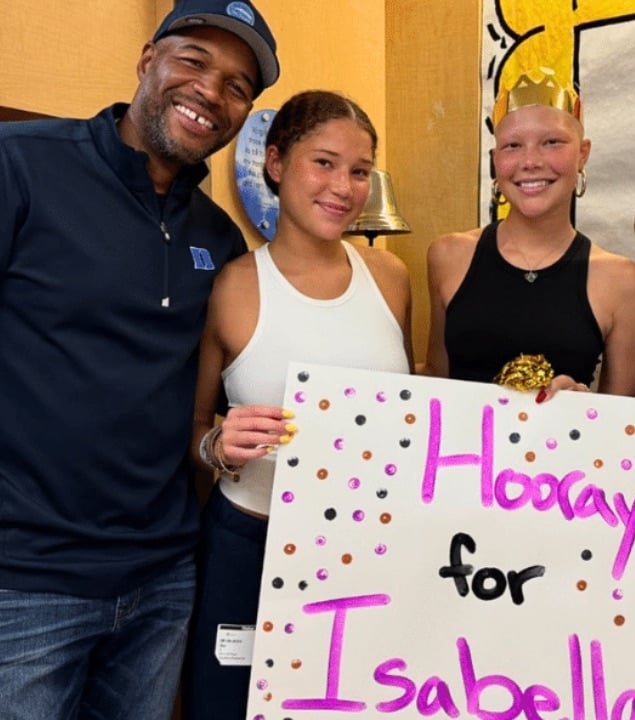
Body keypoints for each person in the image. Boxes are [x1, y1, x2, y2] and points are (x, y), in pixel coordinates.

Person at [0, 2, 280, 718]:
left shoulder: (218, 238)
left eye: (238, 85)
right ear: (148, 58)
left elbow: (200, 398)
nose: (211, 92)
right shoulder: (22, 164)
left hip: (162, 581)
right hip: (26, 581)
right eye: (193, 61)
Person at [181, 89, 414, 719]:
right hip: (248, 546)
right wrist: (216, 446)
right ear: (278, 163)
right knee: (228, 706)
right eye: (325, 163)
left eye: (361, 171)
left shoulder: (390, 279)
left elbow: (416, 417)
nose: (344, 186)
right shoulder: (232, 285)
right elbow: (196, 430)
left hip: (365, 548)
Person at [422, 71, 635, 398]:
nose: (530, 161)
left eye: (552, 142)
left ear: (582, 154)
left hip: (565, 450)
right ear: (495, 159)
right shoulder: (447, 256)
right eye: (513, 146)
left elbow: (618, 422)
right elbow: (436, 379)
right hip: (463, 450)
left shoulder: (624, 282)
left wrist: (585, 408)